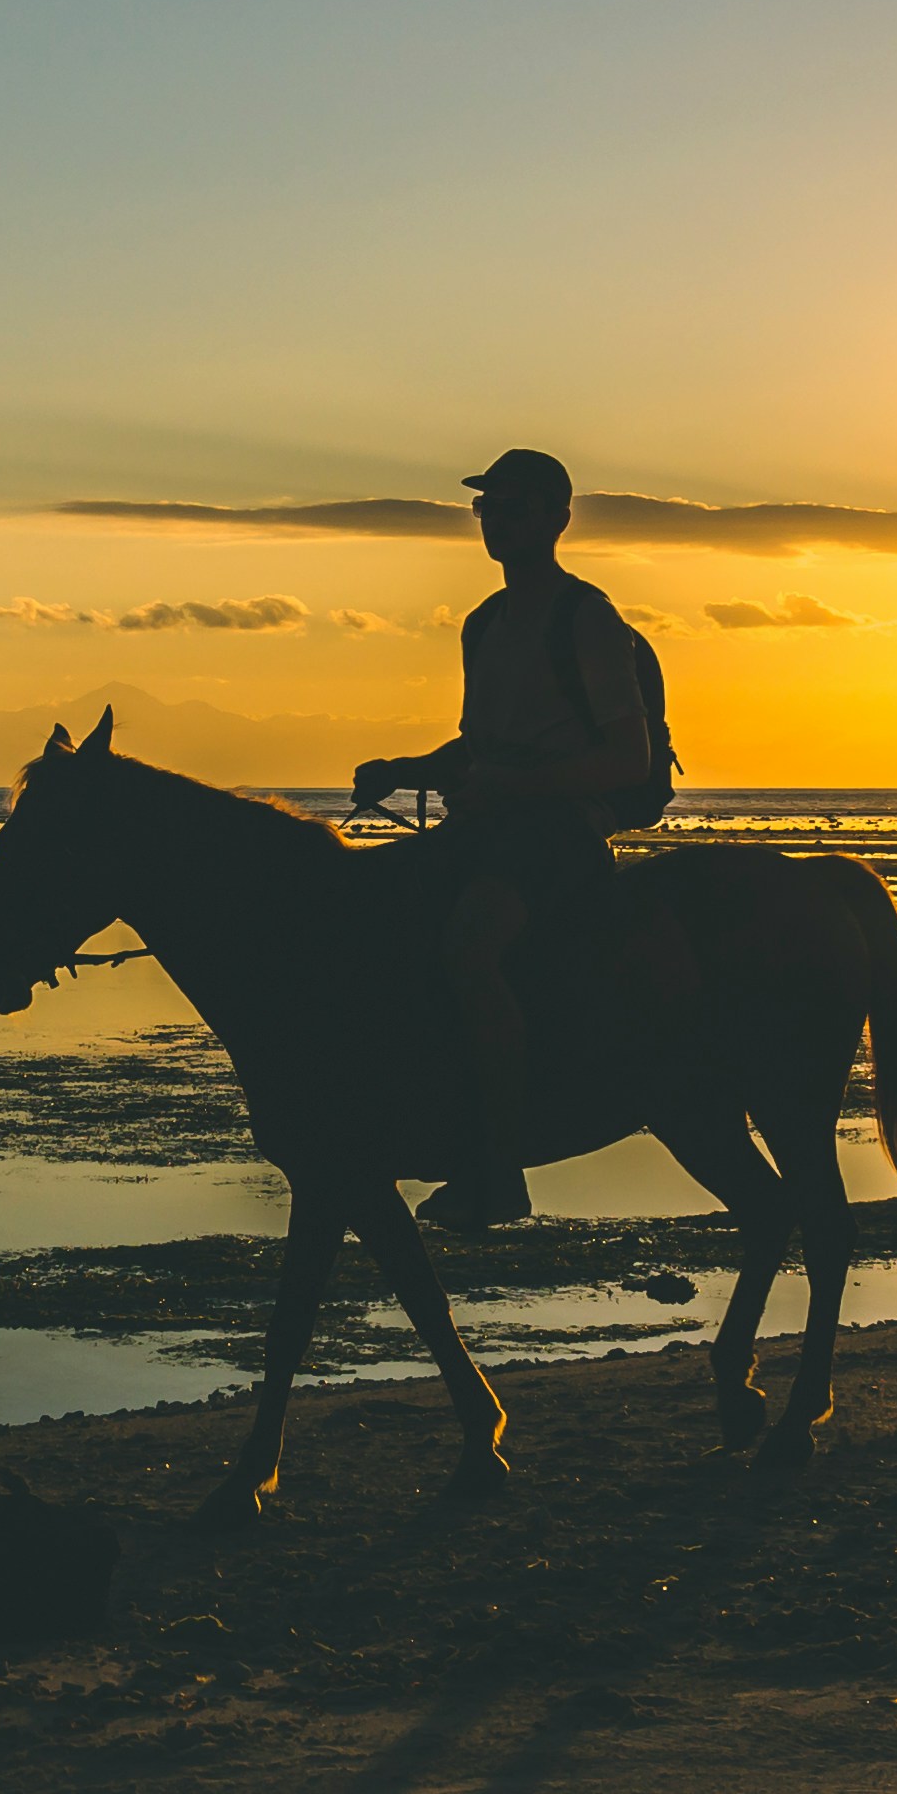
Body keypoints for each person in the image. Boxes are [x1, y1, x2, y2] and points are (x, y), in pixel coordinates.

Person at [351, 447, 674, 1230]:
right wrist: (405, 767)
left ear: (557, 518)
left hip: (556, 836)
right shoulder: (485, 624)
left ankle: (496, 1166)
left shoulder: (586, 618)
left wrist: (513, 787)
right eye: (487, 506)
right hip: (488, 829)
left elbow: (625, 757)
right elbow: (479, 748)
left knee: (470, 947)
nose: (497, 519)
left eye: (514, 505)